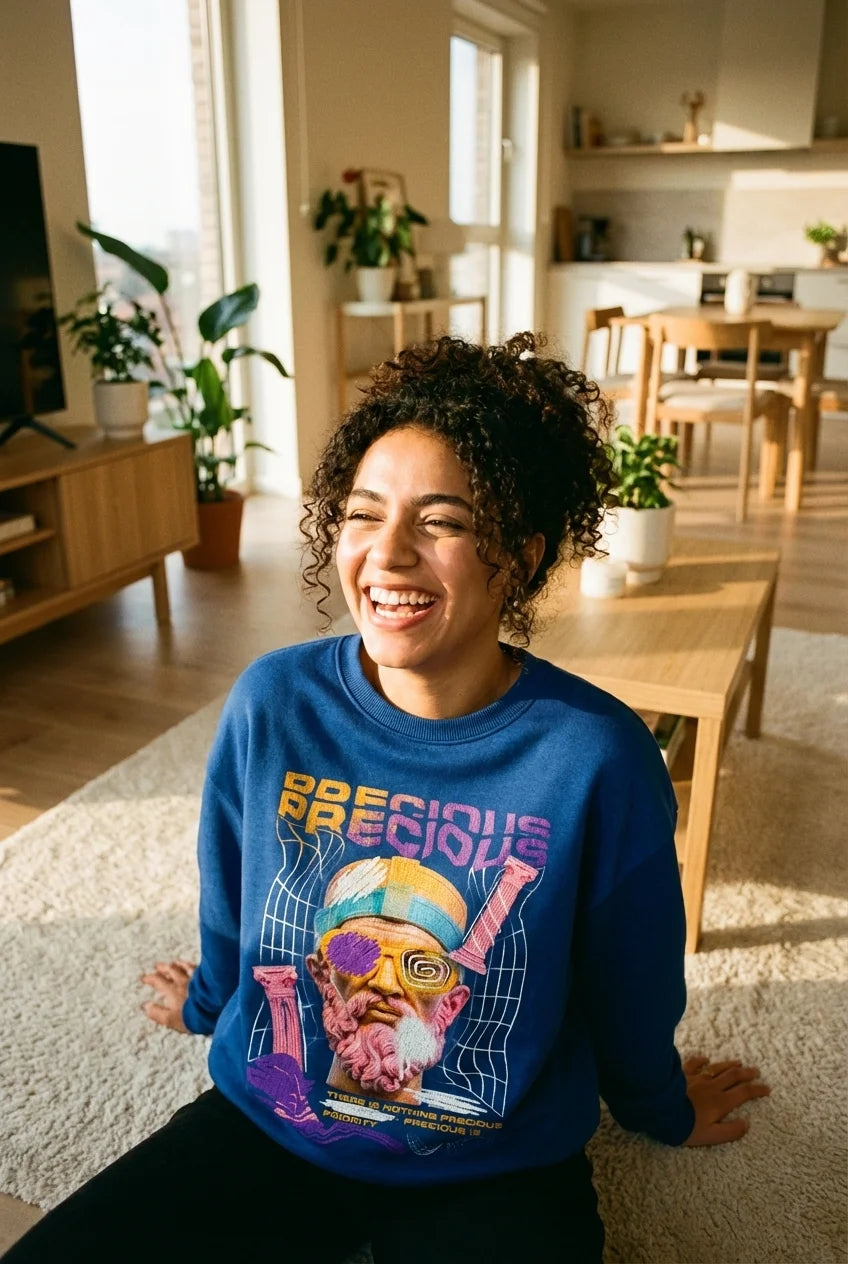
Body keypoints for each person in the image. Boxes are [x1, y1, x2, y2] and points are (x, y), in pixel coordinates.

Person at [4, 332, 770, 1264]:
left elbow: (631, 974)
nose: (389, 554)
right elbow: (233, 890)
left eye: (441, 522)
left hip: (496, 1166)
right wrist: (207, 1000)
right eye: (364, 514)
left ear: (521, 556)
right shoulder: (274, 703)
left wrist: (658, 1105)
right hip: (272, 1126)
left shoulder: (595, 756)